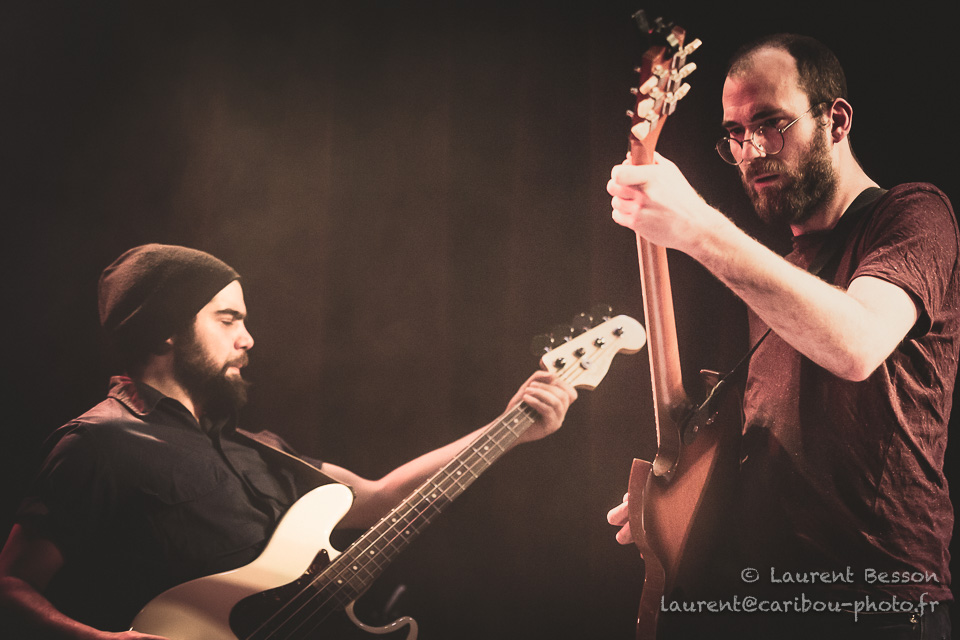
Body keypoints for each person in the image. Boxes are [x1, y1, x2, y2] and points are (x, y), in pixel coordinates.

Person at [0, 243, 577, 639]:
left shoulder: (257, 446)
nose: (248, 338)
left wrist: (509, 428)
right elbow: (10, 586)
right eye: (228, 319)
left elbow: (377, 499)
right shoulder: (100, 442)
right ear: (165, 329)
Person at [605, 34, 956, 639]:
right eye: (735, 134)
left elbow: (856, 344)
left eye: (770, 124)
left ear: (836, 120)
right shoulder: (779, 274)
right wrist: (678, 509)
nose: (751, 151)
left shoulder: (914, 215)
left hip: (882, 607)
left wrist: (697, 227)